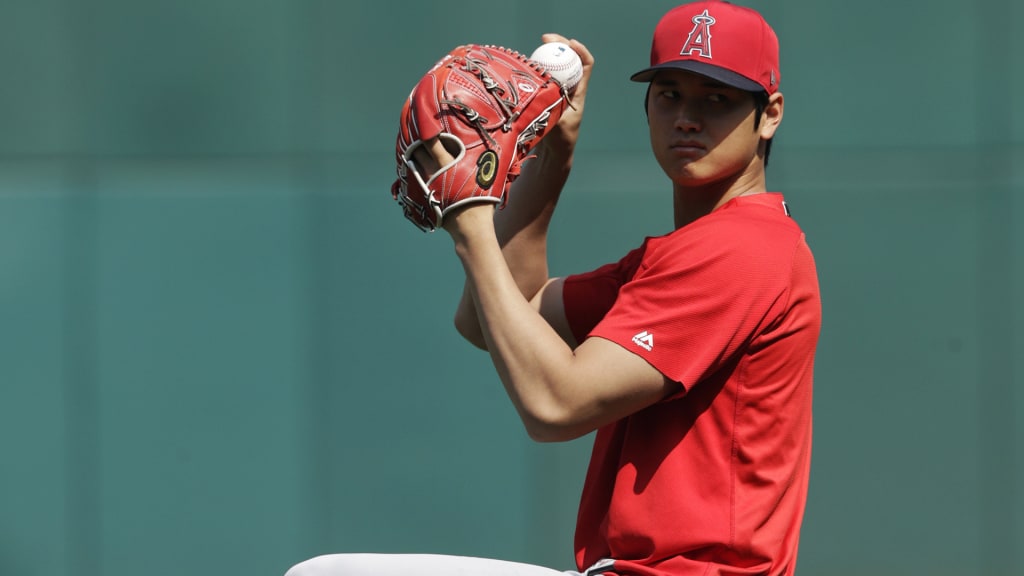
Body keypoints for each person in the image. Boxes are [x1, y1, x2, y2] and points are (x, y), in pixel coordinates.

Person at [286, 1, 820, 575]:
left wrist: (471, 222)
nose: (688, 117)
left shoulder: (741, 249)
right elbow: (496, 320)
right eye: (670, 94)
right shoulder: (685, 253)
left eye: (717, 99)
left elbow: (554, 404)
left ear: (770, 115)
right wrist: (552, 154)